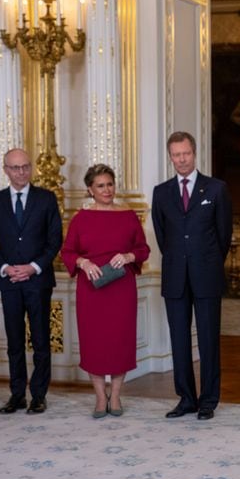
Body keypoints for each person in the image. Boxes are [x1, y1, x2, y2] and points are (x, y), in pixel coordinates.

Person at [151, 131, 233, 421]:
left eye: (185, 154)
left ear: (194, 153)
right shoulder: (161, 192)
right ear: (170, 156)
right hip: (175, 276)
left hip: (207, 275)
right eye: (176, 155)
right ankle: (186, 398)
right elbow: (163, 237)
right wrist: (180, 260)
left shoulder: (216, 189)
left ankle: (209, 400)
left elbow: (224, 235)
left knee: (209, 339)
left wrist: (205, 261)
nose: (181, 159)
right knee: (179, 340)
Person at [61, 164, 150, 418]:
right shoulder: (80, 219)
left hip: (122, 290)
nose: (107, 189)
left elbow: (143, 249)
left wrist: (128, 255)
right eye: (100, 185)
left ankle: (117, 397)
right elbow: (67, 252)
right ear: (90, 189)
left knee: (119, 342)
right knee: (95, 344)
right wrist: (83, 262)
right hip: (91, 290)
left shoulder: (129, 216)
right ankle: (101, 397)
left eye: (110, 184)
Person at [0, 148, 63, 415]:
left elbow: (54, 241)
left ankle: (39, 395)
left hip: (38, 280)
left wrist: (33, 267)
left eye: (25, 166)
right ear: (5, 170)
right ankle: (17, 395)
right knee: (14, 341)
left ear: (31, 168)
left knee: (40, 340)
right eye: (15, 168)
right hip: (10, 282)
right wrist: (6, 268)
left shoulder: (46, 199)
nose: (21, 172)